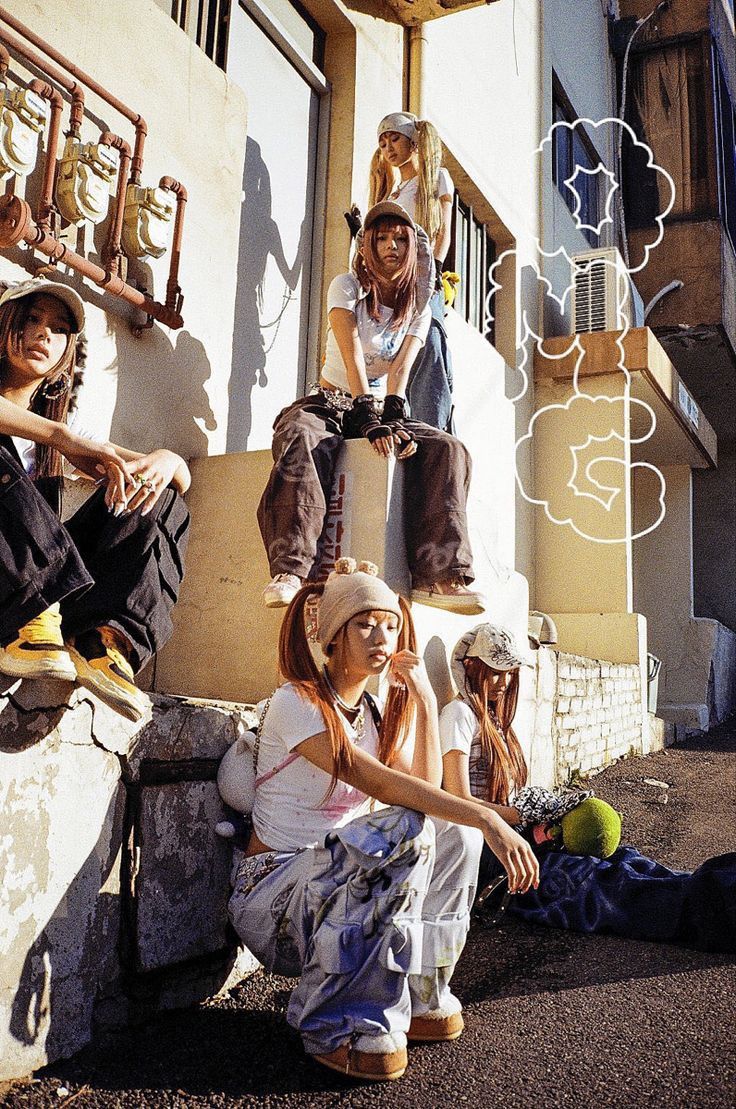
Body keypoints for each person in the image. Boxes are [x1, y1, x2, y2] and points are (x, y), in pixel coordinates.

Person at [227, 559, 539, 1082]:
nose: (383, 636)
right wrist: (490, 817)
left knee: (451, 833)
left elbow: (425, 790)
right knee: (411, 829)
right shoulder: (295, 701)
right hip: (272, 898)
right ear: (333, 634)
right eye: (366, 623)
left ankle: (420, 989)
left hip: (329, 890)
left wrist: (421, 694)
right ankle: (332, 1021)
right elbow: (376, 782)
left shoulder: (371, 714)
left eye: (391, 624)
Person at [440, 623, 736, 952]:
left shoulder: (494, 720)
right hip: (491, 853)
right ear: (470, 667)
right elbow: (456, 799)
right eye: (495, 672)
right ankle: (715, 910)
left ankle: (719, 888)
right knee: (601, 884)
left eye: (510, 672)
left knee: (626, 861)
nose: (505, 682)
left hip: (518, 836)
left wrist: (545, 816)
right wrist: (524, 813)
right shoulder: (458, 715)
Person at [259, 201, 484, 615]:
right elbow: (352, 358)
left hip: (379, 408)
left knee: (448, 449)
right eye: (380, 238)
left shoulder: (419, 304)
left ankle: (438, 576)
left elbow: (400, 371)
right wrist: (364, 411)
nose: (391, 246)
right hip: (331, 401)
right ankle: (291, 570)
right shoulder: (346, 286)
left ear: (413, 247)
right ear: (366, 245)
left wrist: (391, 414)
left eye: (400, 238)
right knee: (301, 438)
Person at [0, 278, 191, 722]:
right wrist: (62, 439)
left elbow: (178, 478)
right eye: (32, 319)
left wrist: (165, 459)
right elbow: (58, 436)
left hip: (44, 595)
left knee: (155, 497)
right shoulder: (58, 434)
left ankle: (103, 641)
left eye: (59, 328)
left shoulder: (61, 430)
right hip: (12, 592)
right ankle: (28, 620)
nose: (45, 334)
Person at [369, 112, 455, 431]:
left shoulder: (434, 178)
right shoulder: (392, 193)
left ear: (413, 140)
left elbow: (442, 232)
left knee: (428, 351)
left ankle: (432, 431)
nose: (388, 147)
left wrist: (430, 277)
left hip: (423, 281)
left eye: (394, 138)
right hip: (392, 288)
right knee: (395, 358)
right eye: (382, 142)